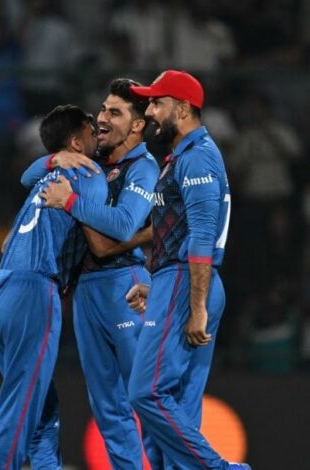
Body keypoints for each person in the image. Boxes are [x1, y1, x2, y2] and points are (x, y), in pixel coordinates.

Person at [31, 78, 161, 469]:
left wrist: (70, 201)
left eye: (114, 113)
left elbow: (122, 226)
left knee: (147, 397)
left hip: (126, 285)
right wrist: (55, 159)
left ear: (137, 125)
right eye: (102, 109)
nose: (101, 118)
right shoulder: (92, 160)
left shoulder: (142, 167)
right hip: (85, 290)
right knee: (106, 405)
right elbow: (27, 177)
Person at [123, 70, 249, 469]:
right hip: (179, 280)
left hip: (187, 280)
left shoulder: (196, 157)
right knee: (178, 403)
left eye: (156, 103)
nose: (149, 112)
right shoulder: (183, 156)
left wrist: (195, 307)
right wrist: (158, 283)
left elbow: (201, 236)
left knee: (147, 392)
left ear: (182, 108)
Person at [0, 104, 107, 470]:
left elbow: (26, 178)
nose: (97, 134)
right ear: (76, 143)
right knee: (21, 404)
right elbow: (102, 238)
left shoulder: (45, 177)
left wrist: (52, 160)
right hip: (33, 292)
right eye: (90, 130)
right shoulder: (88, 173)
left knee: (40, 403)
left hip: (0, 290)